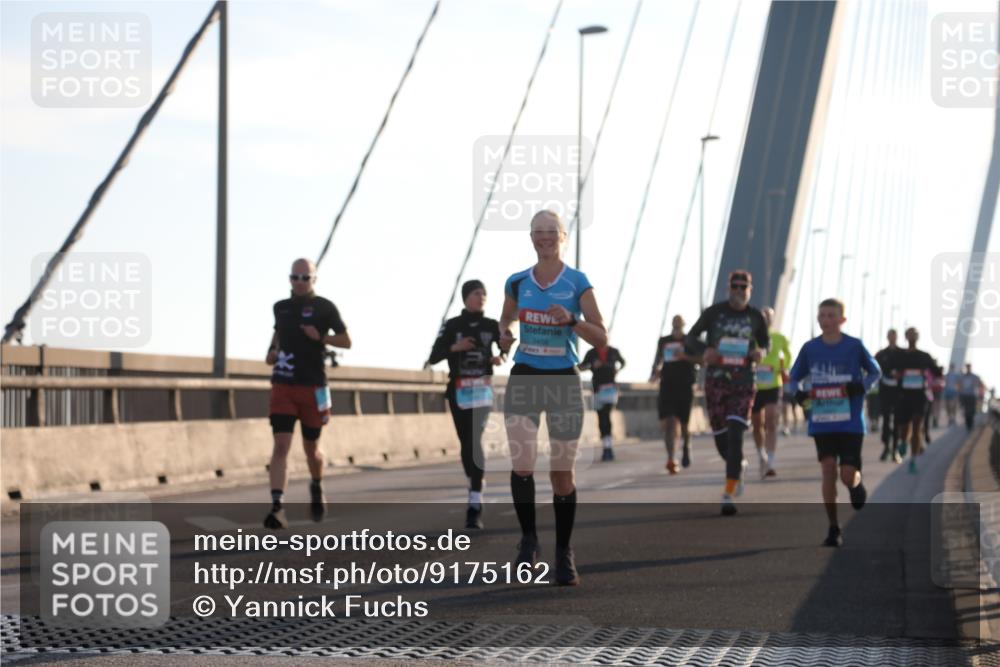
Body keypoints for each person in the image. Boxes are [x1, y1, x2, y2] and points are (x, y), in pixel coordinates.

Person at [499, 210, 608, 586]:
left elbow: (601, 337)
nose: (544, 237)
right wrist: (504, 337)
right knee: (523, 464)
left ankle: (564, 552)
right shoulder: (516, 282)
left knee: (562, 475)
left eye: (551, 232)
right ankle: (529, 541)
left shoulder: (578, 282)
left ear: (563, 236)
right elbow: (505, 321)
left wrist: (572, 321)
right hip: (525, 375)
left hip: (563, 378)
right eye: (537, 232)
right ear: (531, 237)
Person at [264, 258, 351, 529]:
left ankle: (316, 484)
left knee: (311, 449)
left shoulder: (325, 307)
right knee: (281, 447)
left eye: (305, 277)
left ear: (314, 279)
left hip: (313, 387)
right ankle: (277, 507)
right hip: (283, 385)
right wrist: (271, 352)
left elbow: (346, 341)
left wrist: (320, 337)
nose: (299, 282)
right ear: (289, 279)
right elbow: (277, 337)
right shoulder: (281, 308)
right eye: (294, 277)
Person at [789, 298, 880, 548]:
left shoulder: (854, 346)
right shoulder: (810, 348)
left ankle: (856, 486)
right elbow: (793, 378)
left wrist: (859, 386)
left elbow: (875, 372)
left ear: (842, 319)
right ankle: (833, 527)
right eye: (821, 316)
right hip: (822, 419)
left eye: (830, 316)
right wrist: (797, 393)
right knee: (828, 467)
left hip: (850, 421)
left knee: (847, 475)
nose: (825, 320)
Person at [685, 270, 769, 516]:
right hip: (716, 381)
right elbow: (690, 338)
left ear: (750, 290)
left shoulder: (756, 316)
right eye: (736, 286)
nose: (740, 291)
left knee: (735, 434)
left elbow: (765, 343)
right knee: (723, 442)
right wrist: (706, 350)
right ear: (728, 288)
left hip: (744, 380)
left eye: (744, 287)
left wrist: (760, 352)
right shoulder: (714, 313)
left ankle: (728, 492)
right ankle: (738, 465)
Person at [428, 279, 504, 530]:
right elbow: (434, 356)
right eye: (476, 293)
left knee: (474, 438)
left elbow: (504, 347)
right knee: (464, 442)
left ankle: (474, 501)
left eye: (484, 293)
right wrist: (455, 347)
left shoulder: (491, 325)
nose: (481, 297)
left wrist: (500, 356)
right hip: (459, 390)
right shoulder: (452, 325)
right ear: (465, 297)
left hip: (481, 390)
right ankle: (474, 479)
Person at [649, 315, 698, 473]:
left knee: (684, 424)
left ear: (684, 325)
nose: (677, 327)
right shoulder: (664, 341)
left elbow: (702, 360)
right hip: (667, 385)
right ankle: (671, 458)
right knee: (669, 423)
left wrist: (686, 357)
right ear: (671, 325)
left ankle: (686, 446)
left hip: (685, 386)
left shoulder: (690, 341)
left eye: (680, 325)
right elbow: (658, 359)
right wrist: (655, 372)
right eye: (675, 324)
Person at [750, 307, 792, 479]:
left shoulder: (779, 337)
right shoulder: (751, 338)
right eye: (763, 315)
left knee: (771, 422)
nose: (766, 318)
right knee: (756, 425)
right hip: (753, 386)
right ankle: (761, 454)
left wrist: (781, 368)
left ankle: (771, 462)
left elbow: (788, 356)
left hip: (773, 384)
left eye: (769, 316)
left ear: (773, 319)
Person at [892, 327, 938, 474]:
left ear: (918, 337)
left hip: (919, 396)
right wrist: (895, 374)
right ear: (905, 337)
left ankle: (912, 460)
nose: (912, 337)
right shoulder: (899, 356)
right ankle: (904, 442)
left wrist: (937, 372)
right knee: (904, 429)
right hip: (903, 396)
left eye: (914, 334)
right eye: (909, 334)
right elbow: (890, 370)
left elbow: (936, 371)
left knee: (917, 426)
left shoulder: (924, 356)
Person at [579, 344, 626, 461]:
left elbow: (623, 362)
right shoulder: (591, 353)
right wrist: (591, 365)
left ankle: (608, 446)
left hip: (610, 388)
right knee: (601, 417)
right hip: (597, 389)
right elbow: (581, 367)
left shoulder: (614, 351)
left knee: (607, 414)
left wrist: (617, 370)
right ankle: (606, 446)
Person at [874, 329, 902, 463]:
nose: (892, 338)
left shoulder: (902, 354)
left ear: (896, 337)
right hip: (885, 391)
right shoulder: (880, 354)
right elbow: (874, 370)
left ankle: (895, 448)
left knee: (897, 421)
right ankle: (886, 447)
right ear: (887, 337)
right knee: (886, 420)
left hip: (898, 392)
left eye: (894, 336)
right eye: (890, 336)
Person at [959, 363, 985, 432]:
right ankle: (968, 424)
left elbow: (981, 384)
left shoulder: (975, 377)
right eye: (967, 367)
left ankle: (971, 422)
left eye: (969, 367)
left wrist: (981, 394)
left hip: (972, 396)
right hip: (964, 395)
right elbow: (959, 386)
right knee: (966, 410)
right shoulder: (962, 377)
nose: (968, 368)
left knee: (972, 410)